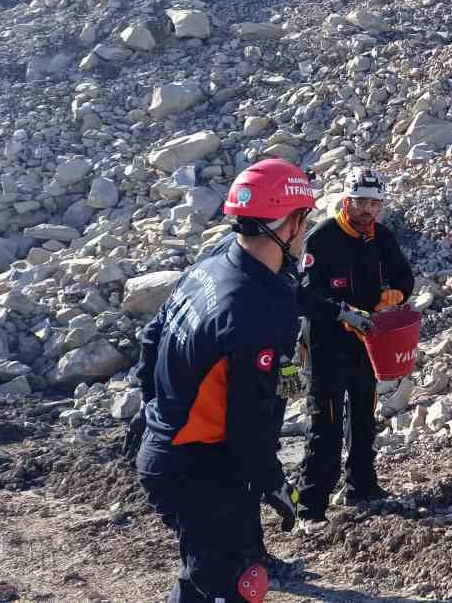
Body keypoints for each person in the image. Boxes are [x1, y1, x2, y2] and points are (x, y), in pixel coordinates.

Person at [133, 158, 316, 602]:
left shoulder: (216, 263)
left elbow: (151, 339)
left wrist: (154, 413)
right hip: (197, 465)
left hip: (175, 450)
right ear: (289, 224)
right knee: (236, 584)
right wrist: (274, 482)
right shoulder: (254, 309)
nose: (307, 230)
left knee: (204, 570)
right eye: (305, 219)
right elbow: (247, 421)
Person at [295, 166, 415, 525]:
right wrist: (341, 312)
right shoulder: (321, 239)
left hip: (368, 345)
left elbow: (403, 276)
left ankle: (362, 486)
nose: (367, 210)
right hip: (326, 347)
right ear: (346, 201)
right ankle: (309, 507)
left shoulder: (381, 237)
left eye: (374, 204)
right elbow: (304, 294)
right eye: (361, 202)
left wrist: (396, 292)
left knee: (364, 418)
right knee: (325, 427)